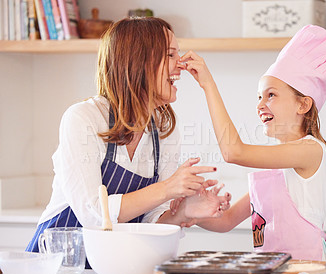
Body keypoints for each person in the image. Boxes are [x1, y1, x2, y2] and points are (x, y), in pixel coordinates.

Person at [26, 17, 231, 253]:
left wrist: (184, 211)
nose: (181, 64)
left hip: (114, 263)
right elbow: (94, 215)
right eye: (170, 54)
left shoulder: (164, 131)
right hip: (58, 264)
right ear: (138, 62)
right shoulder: (84, 118)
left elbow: (151, 222)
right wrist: (168, 188)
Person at [176, 25, 326, 261]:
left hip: (305, 272)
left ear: (303, 105)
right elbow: (227, 221)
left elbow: (233, 152)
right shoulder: (276, 167)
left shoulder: (311, 150)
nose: (260, 104)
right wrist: (190, 212)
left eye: (271, 95)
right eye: (259, 96)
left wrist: (208, 85)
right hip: (274, 271)